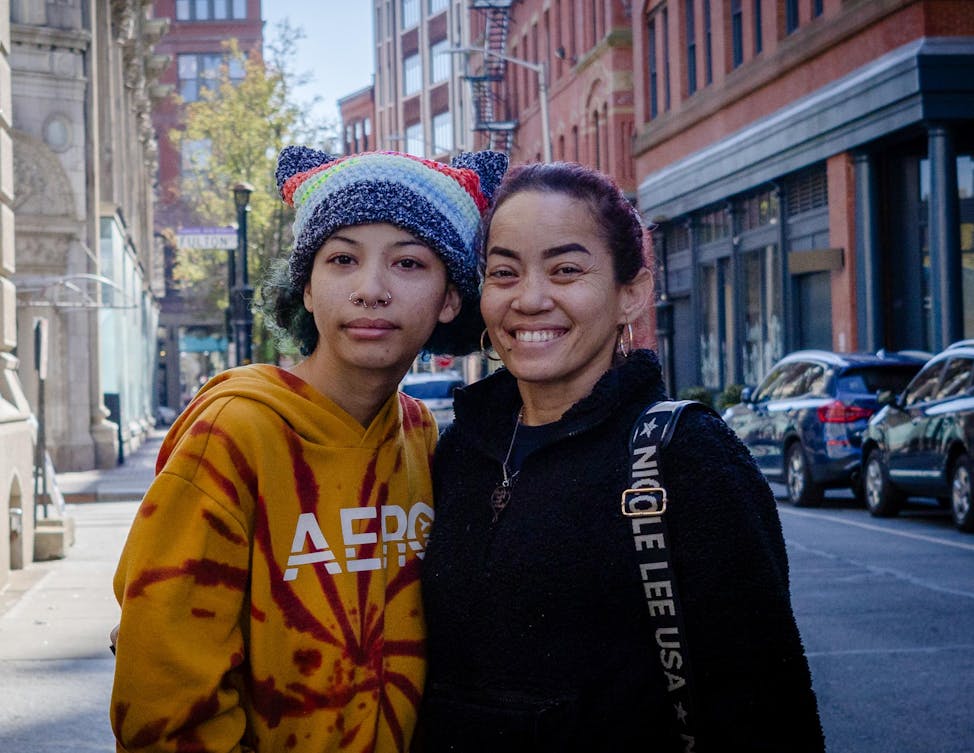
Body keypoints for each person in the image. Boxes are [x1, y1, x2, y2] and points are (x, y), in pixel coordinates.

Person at [418, 161, 826, 752]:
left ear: (631, 294)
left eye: (565, 270)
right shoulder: (458, 452)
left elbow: (765, 707)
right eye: (504, 272)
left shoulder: (686, 457)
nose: (530, 298)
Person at [110, 146, 506, 753]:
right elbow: (165, 696)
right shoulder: (234, 434)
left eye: (408, 264)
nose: (370, 290)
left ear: (450, 298)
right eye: (342, 259)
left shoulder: (422, 436)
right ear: (308, 290)